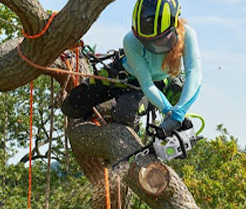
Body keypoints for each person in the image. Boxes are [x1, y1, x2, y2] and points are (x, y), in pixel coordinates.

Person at [61, 0, 202, 135]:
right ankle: (103, 110)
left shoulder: (188, 35)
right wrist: (168, 110)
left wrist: (176, 112)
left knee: (125, 113)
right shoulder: (130, 40)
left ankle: (115, 115)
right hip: (122, 75)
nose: (154, 45)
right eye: (146, 41)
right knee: (72, 105)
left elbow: (194, 73)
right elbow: (146, 82)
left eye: (159, 39)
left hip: (153, 87)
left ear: (174, 26)